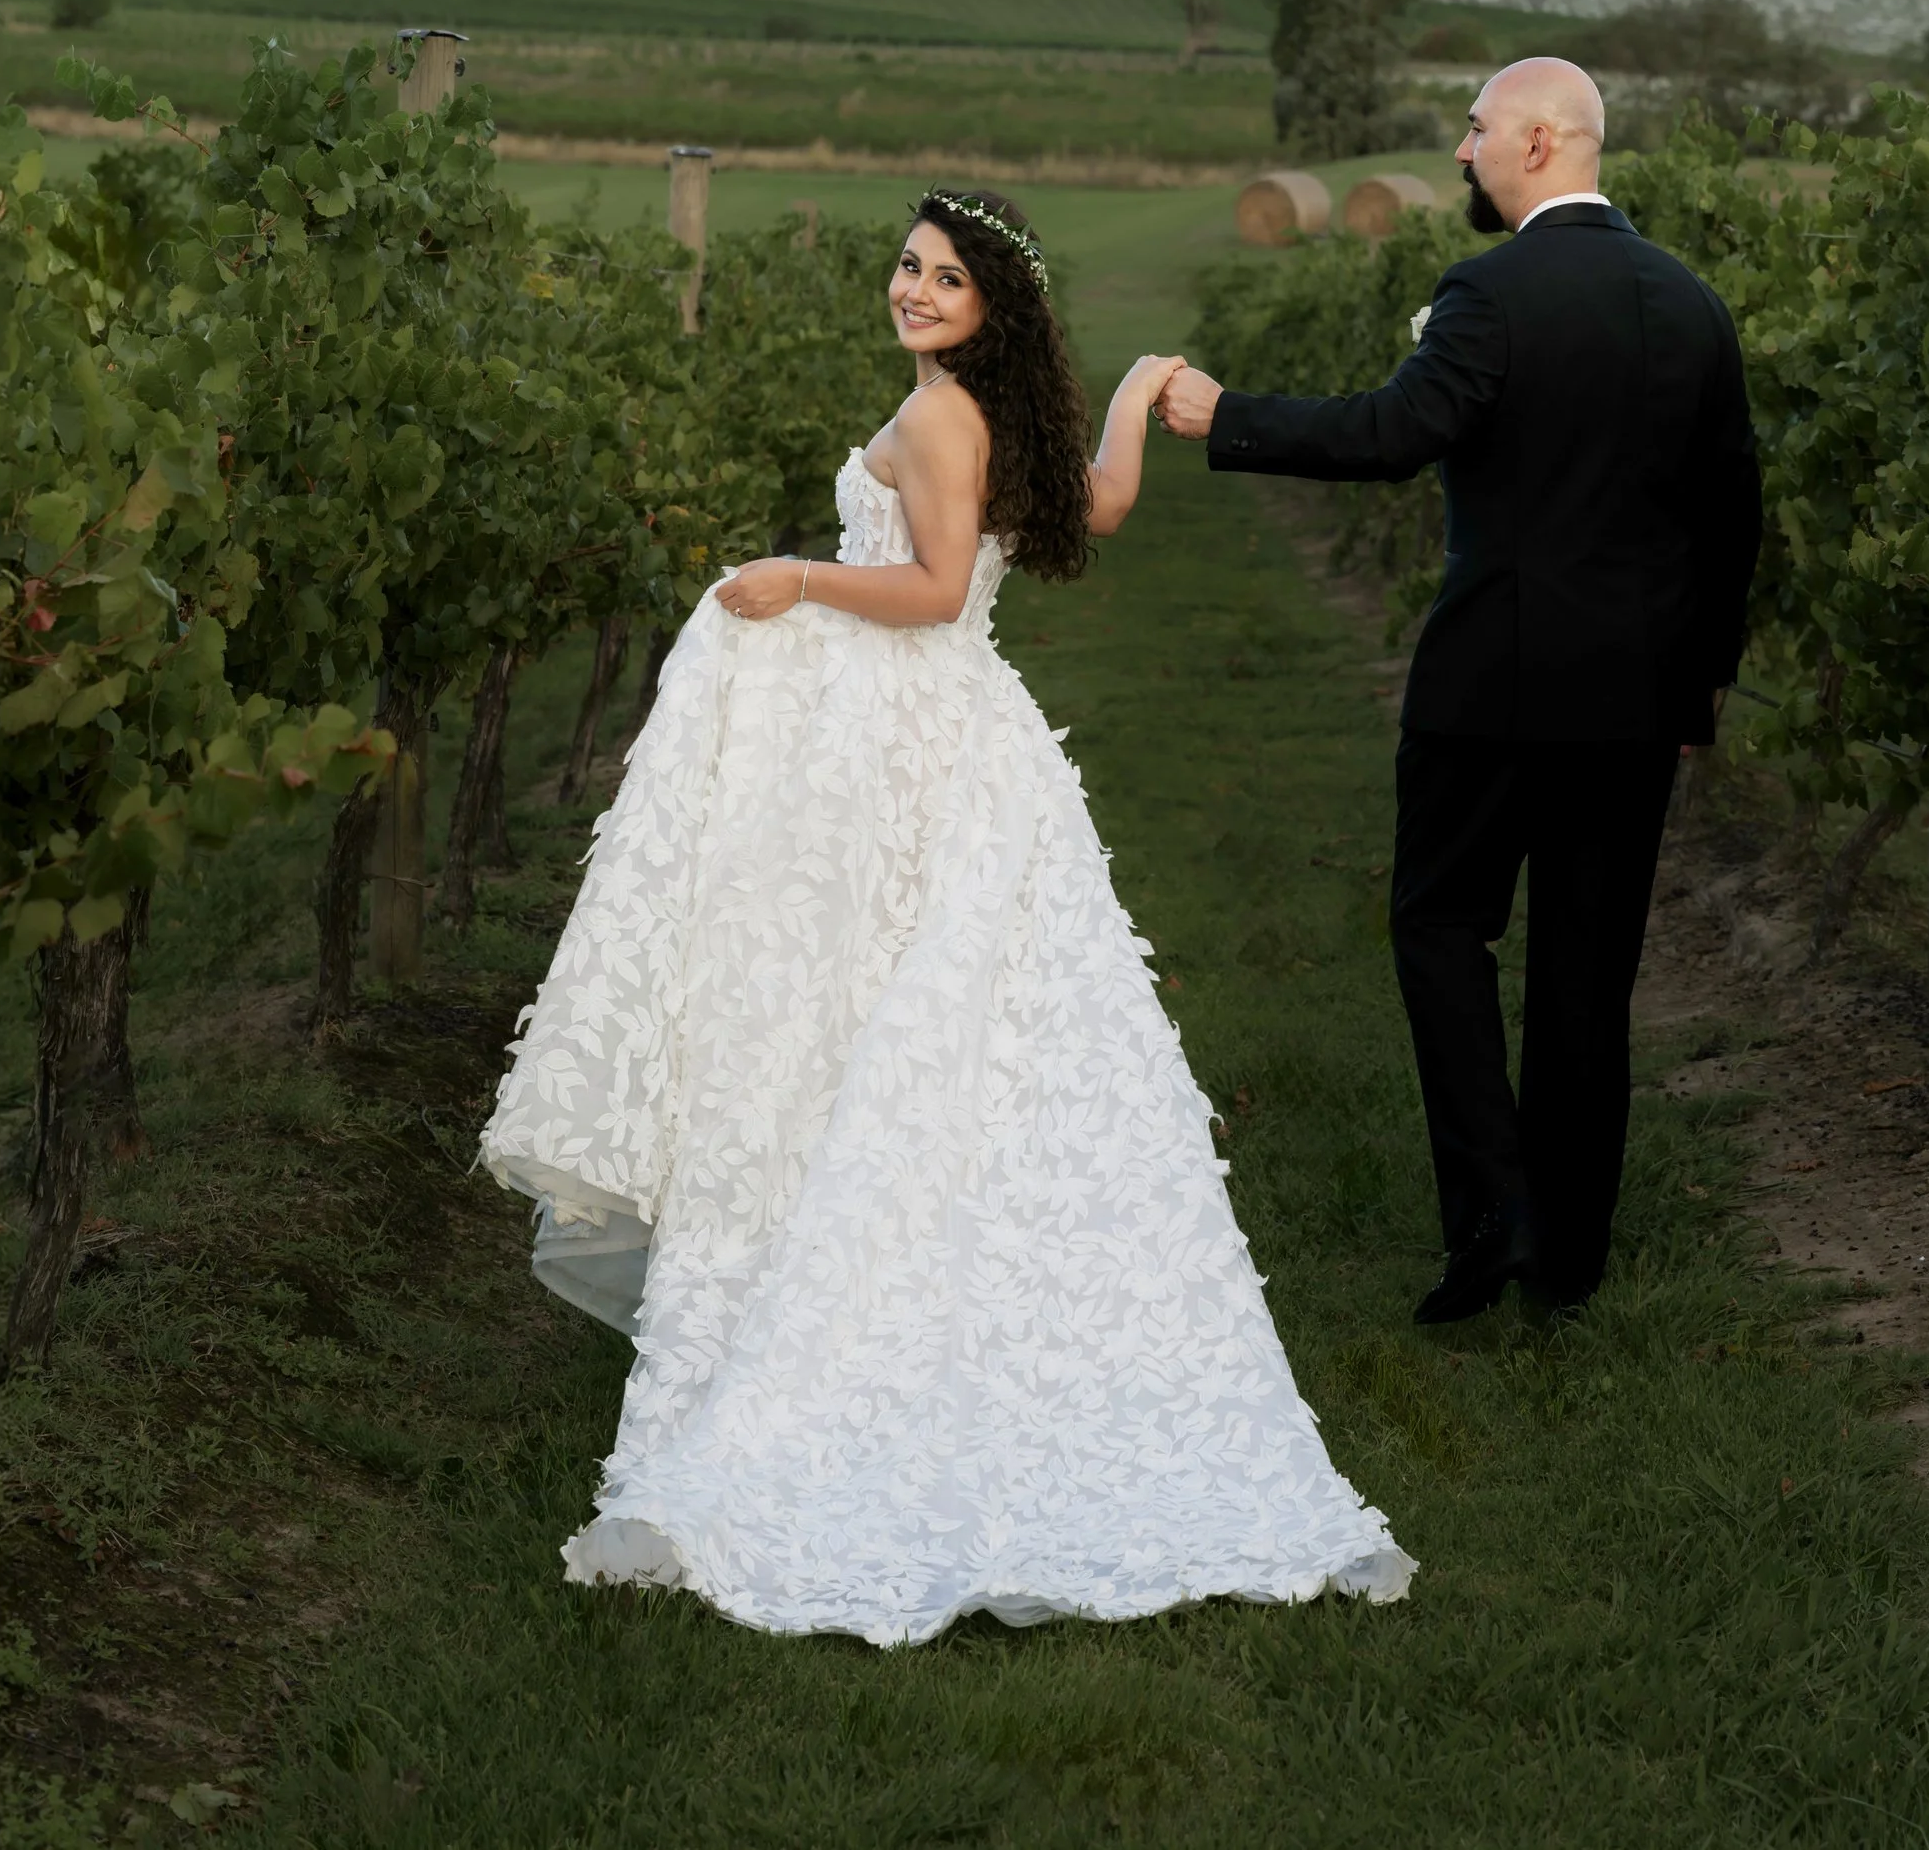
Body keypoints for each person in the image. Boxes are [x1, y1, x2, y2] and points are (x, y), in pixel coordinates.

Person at [479, 187, 1413, 1643]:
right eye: (909, 267)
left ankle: (843, 1318)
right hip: (975, 741)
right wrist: (1134, 396)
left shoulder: (935, 424)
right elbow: (1099, 505)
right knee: (962, 1033)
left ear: (993, 306)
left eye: (946, 277)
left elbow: (924, 590)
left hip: (909, 737)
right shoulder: (994, 413)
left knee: (862, 1014)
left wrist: (793, 575)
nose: (915, 289)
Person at [1159, 58, 1760, 1325]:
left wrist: (1227, 413)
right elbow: (1730, 517)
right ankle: (1570, 1260)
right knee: (1591, 971)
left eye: (1477, 127)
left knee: (1440, 929)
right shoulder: (1692, 303)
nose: (1460, 149)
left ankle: (1493, 1215)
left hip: (1489, 686)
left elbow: (1390, 436)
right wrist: (1697, 686)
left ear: (1542, 141)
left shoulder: (1486, 292)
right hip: (1636, 699)